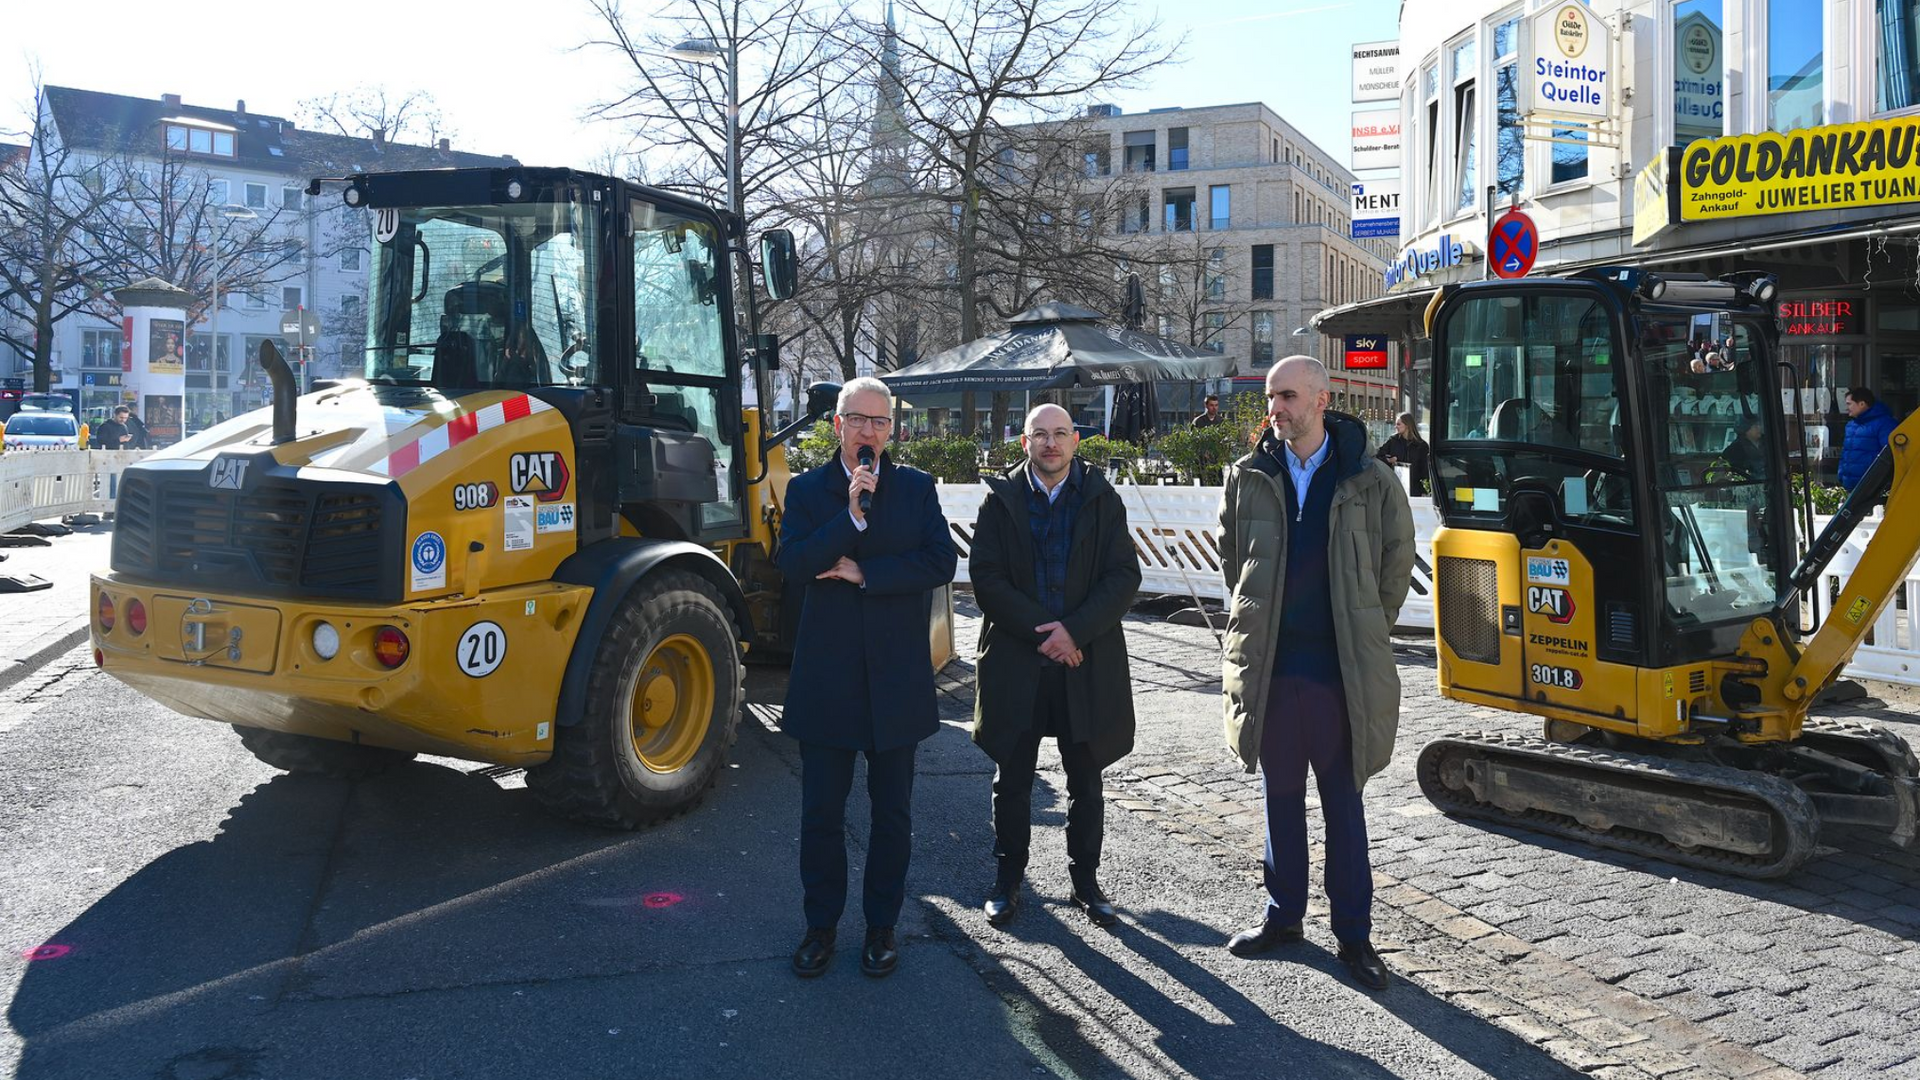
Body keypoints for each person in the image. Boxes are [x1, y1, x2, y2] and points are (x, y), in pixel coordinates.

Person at [1215, 356, 1414, 992]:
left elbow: (1396, 561)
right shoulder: (1248, 475)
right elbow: (1233, 560)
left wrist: (1365, 626)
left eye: (1288, 396)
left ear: (1322, 400)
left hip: (1338, 672)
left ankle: (1354, 936)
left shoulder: (1369, 478)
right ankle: (1283, 916)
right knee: (1279, 797)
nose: (1275, 408)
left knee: (1342, 801)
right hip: (1272, 668)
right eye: (1272, 397)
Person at [775, 376, 957, 980]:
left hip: (895, 678)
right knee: (821, 815)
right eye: (858, 420)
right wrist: (848, 518)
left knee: (892, 815)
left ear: (891, 431)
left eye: (880, 422)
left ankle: (882, 927)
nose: (869, 432)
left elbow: (941, 560)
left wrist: (865, 574)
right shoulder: (807, 491)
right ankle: (820, 927)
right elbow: (794, 563)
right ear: (837, 426)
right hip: (827, 678)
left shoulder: (915, 487)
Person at [967, 403, 1141, 929]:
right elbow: (987, 578)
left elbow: (1122, 577)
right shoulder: (1000, 500)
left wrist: (1074, 632)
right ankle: (1008, 879)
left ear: (1075, 441)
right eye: (1039, 434)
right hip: (1018, 658)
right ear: (1024, 443)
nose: (1050, 443)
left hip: (1084, 659)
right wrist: (1048, 635)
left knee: (1086, 779)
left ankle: (1086, 882)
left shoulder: (1102, 499)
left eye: (1060, 433)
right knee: (1012, 778)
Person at [1839, 387, 1897, 491]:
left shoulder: (1885, 423)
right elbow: (1845, 453)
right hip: (1850, 485)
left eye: (1849, 404)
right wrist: (1841, 474)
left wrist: (1880, 480)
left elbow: (1890, 454)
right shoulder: (1851, 425)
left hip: (1873, 487)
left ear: (1862, 404)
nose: (1847, 408)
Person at [1375, 412, 1430, 497]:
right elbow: (1377, 456)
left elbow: (1425, 469)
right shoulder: (1393, 441)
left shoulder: (1421, 445)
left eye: (1398, 424)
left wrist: (1425, 490)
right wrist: (1388, 460)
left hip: (1415, 489)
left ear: (1407, 425)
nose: (1396, 426)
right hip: (1395, 486)